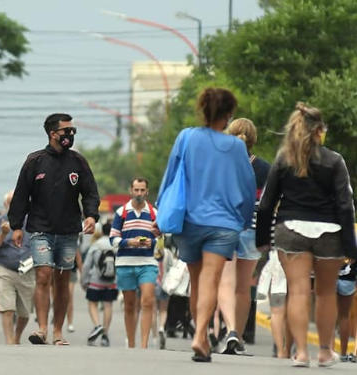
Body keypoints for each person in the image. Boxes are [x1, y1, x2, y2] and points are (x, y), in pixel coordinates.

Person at [157, 88, 255, 362]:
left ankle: (200, 335)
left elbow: (171, 175)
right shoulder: (237, 146)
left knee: (198, 282)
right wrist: (245, 219)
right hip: (224, 224)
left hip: (190, 221)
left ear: (202, 109)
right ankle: (201, 334)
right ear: (228, 114)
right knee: (211, 279)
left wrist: (160, 213)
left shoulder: (186, 137)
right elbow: (248, 188)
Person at [256, 102, 356, 367]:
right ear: (319, 131)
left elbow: (266, 203)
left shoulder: (283, 160)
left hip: (290, 231)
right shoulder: (334, 161)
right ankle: (324, 351)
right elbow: (345, 205)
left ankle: (300, 352)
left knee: (298, 292)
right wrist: (351, 246)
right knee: (325, 294)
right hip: (329, 233)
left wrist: (262, 239)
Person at [9, 113, 100, 346]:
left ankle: (58, 331)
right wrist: (16, 226)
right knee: (43, 275)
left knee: (61, 281)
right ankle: (41, 329)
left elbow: (90, 192)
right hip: (40, 229)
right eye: (66, 131)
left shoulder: (78, 162)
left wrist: (91, 215)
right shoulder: (35, 161)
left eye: (73, 131)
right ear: (52, 134)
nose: (70, 135)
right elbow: (20, 196)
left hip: (69, 230)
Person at [213, 118, 272, 355]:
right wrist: (266, 236)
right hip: (252, 228)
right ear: (253, 139)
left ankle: (231, 331)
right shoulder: (265, 168)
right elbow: (268, 204)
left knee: (226, 281)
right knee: (244, 286)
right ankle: (238, 333)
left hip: (224, 227)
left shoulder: (219, 163)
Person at [109, 177, 159, 349]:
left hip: (147, 263)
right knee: (129, 305)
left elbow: (160, 239)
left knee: (147, 301)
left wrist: (150, 242)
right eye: (136, 190)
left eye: (142, 190)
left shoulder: (154, 213)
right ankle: (131, 343)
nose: (139, 193)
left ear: (147, 192)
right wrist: (130, 242)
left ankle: (144, 344)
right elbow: (113, 239)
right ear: (130, 191)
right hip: (125, 263)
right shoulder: (121, 213)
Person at [0, 191, 35, 345]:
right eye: (11, 203)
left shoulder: (31, 222)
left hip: (27, 270)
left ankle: (17, 337)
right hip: (5, 269)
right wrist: (3, 234)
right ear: (5, 205)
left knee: (25, 312)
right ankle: (9, 341)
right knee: (7, 308)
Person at [81, 225, 118, 347]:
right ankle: (105, 335)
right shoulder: (115, 245)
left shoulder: (96, 245)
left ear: (101, 232)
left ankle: (97, 325)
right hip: (111, 281)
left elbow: (87, 265)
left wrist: (84, 280)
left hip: (96, 280)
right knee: (108, 305)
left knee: (92, 303)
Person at [257, 249, 290, 359]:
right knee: (293, 305)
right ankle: (289, 348)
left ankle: (280, 350)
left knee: (277, 311)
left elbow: (261, 241)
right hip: (296, 257)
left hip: (274, 260)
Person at [338, 260, 357, 362]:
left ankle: (327, 351)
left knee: (329, 315)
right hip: (349, 278)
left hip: (328, 274)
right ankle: (343, 354)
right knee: (344, 316)